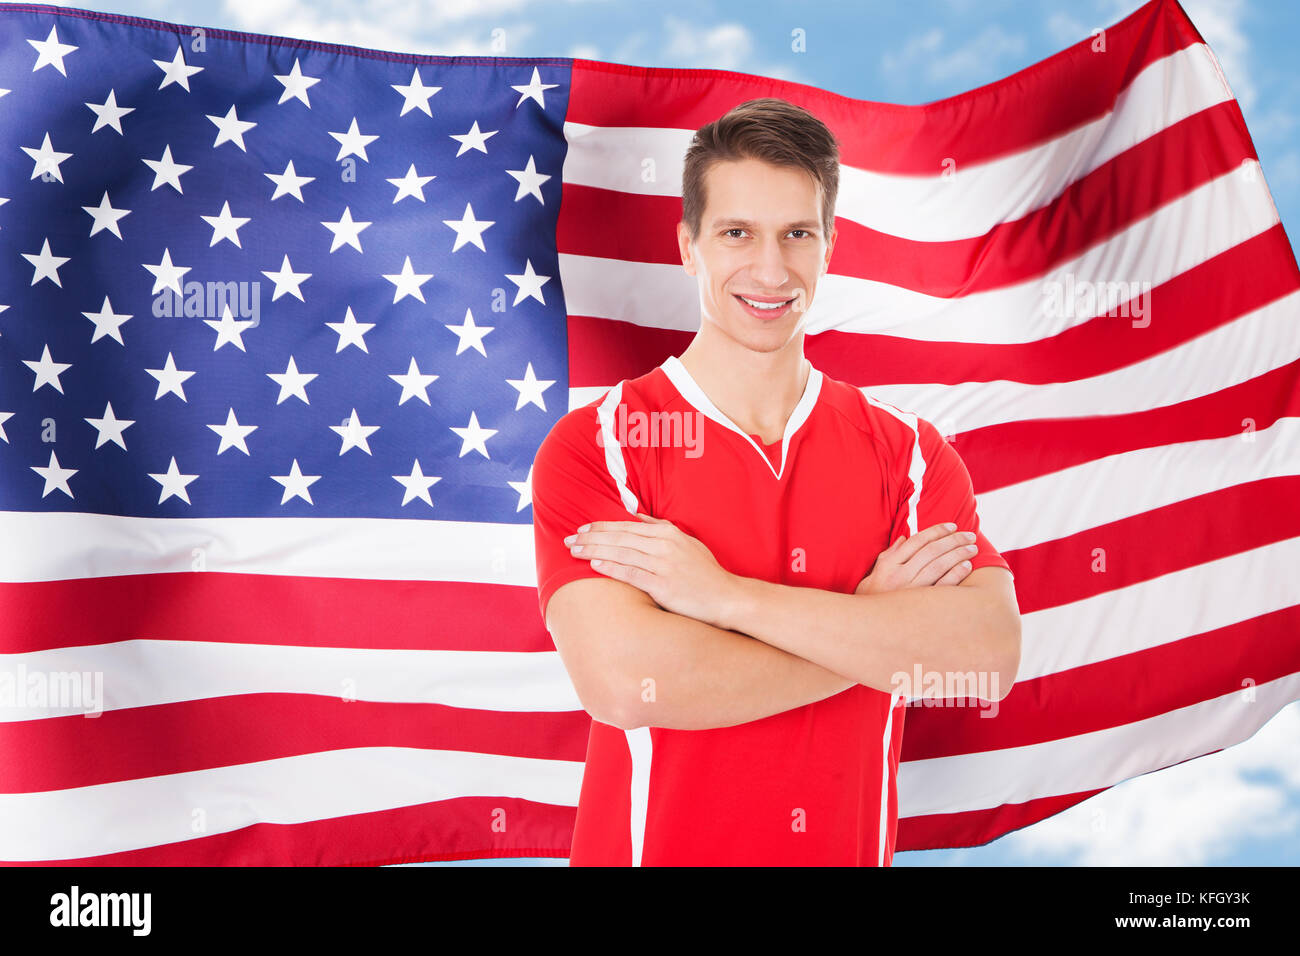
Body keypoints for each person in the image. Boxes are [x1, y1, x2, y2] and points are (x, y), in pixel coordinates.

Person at [531, 97, 1021, 866]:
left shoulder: (910, 455)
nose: (770, 269)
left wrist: (727, 599)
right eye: (737, 234)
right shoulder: (601, 444)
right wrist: (871, 632)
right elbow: (628, 683)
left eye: (798, 233)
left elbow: (982, 658)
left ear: (831, 246)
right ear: (689, 246)